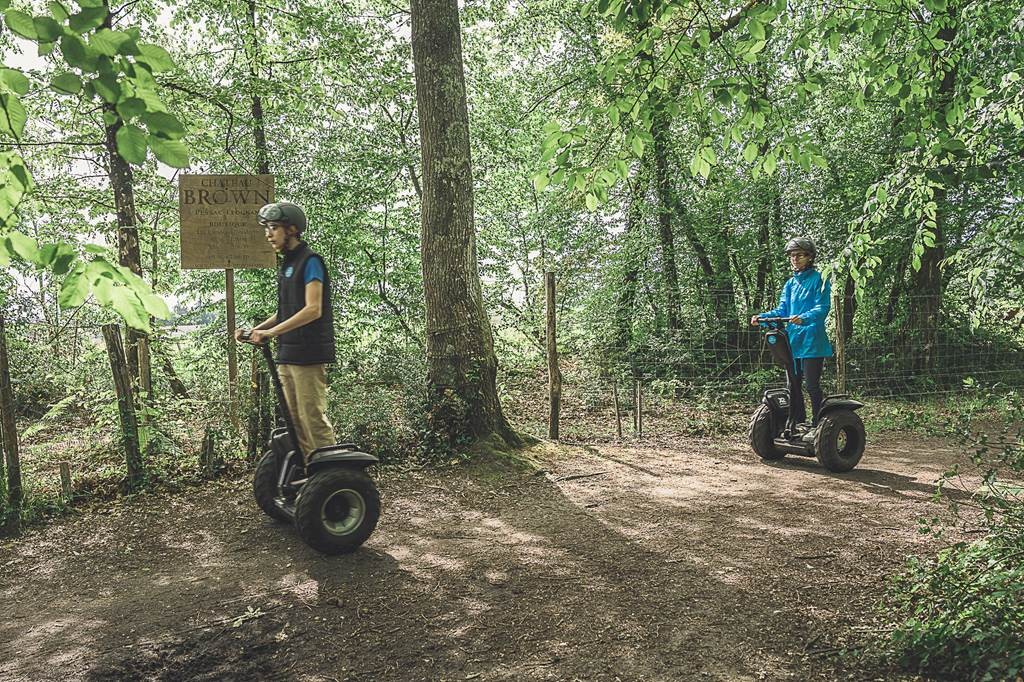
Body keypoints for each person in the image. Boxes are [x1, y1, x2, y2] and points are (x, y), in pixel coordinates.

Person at [237, 200, 337, 461]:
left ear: (292, 229)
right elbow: (286, 311)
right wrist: (255, 330)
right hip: (288, 353)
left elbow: (313, 309)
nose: (268, 234)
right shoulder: (288, 265)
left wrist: (272, 333)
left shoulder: (311, 261)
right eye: (266, 228)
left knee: (311, 417)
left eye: (273, 228)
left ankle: (334, 474)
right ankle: (310, 475)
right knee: (294, 421)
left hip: (308, 354)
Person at [750, 237, 833, 438]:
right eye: (792, 255)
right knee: (792, 384)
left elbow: (822, 307)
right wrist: (762, 317)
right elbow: (782, 309)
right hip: (792, 341)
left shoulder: (819, 279)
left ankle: (818, 422)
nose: (794, 259)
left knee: (811, 384)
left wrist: (803, 318)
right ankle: (798, 420)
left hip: (812, 340)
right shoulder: (790, 284)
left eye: (799, 255)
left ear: (810, 257)